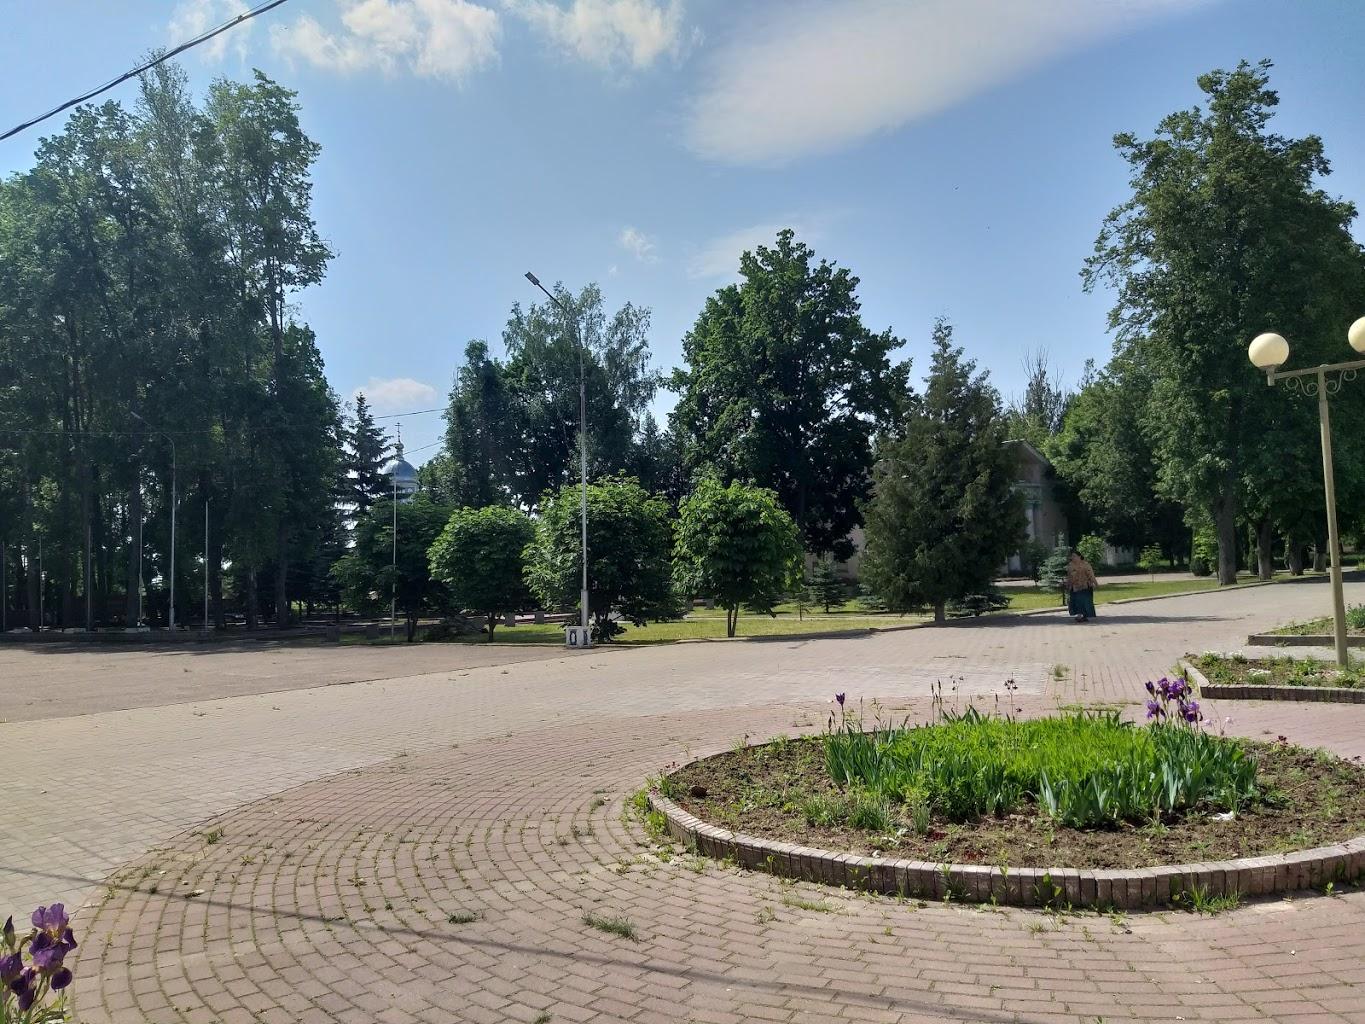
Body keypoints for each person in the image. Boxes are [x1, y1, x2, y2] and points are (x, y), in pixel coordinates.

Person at [1066, 548, 1099, 622]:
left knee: (1084, 602)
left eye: (1074, 556)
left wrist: (1096, 583)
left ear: (1079, 556)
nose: (1072, 558)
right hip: (1074, 587)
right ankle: (1079, 615)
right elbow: (1069, 576)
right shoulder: (1070, 565)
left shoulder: (1085, 564)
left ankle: (1083, 616)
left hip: (1085, 586)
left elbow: (1091, 575)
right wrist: (1068, 584)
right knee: (1076, 602)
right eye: (1072, 556)